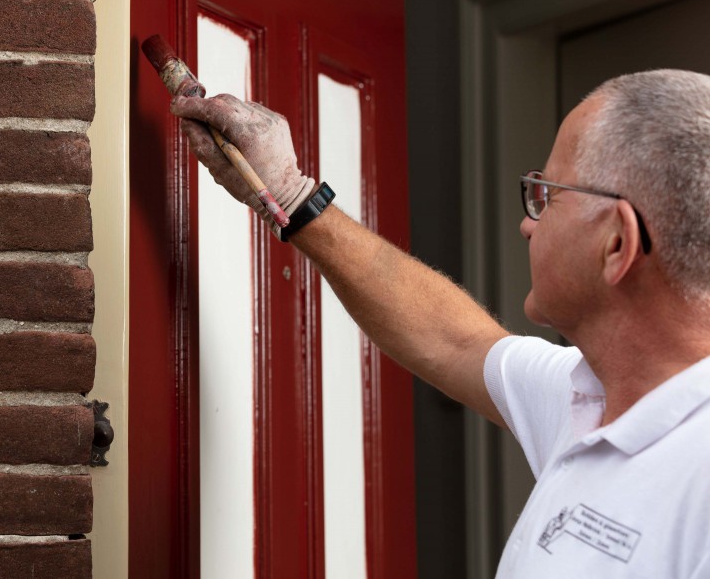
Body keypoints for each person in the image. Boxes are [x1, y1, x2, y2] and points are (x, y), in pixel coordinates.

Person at [169, 68, 710, 578]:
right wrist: (291, 193)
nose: (527, 222)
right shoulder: (591, 396)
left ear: (616, 242)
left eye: (548, 196)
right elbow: (454, 339)